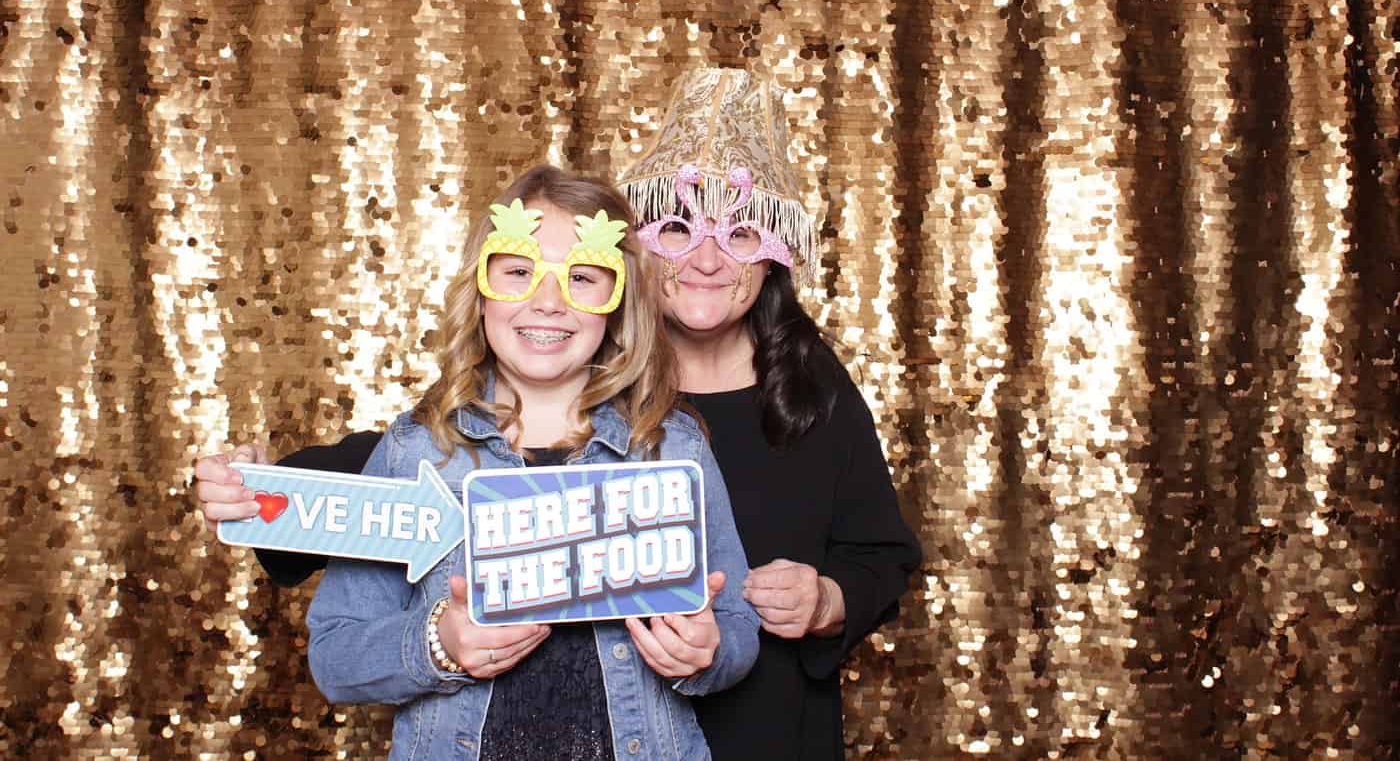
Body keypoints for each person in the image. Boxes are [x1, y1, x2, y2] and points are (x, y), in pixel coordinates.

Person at [198, 68, 920, 759]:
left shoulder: (698, 433)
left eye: (737, 235)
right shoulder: (433, 444)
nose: (707, 259)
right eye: (678, 229)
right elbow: (382, 497)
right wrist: (261, 489)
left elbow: (798, 597)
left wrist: (801, 612)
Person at [301, 165, 759, 760]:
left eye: (582, 278)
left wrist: (706, 653)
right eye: (519, 272)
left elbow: (737, 626)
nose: (548, 302)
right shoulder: (417, 452)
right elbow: (334, 656)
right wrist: (438, 643)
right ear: (481, 291)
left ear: (618, 303)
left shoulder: (671, 448)